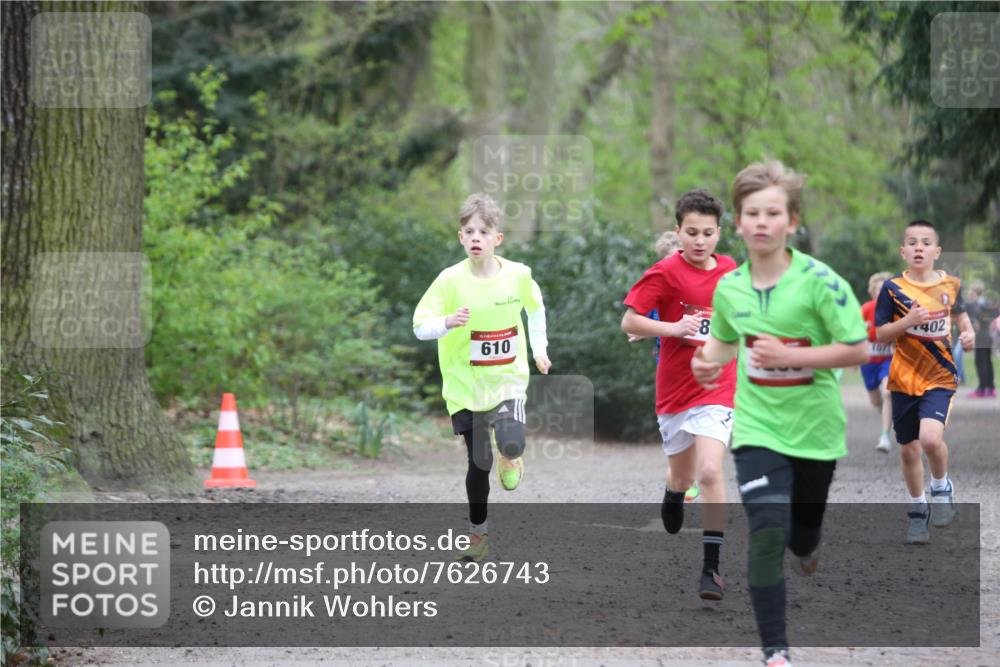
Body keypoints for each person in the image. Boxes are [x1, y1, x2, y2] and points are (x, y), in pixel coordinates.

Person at [691, 161, 868, 667]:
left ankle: (809, 543)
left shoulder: (820, 282)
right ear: (740, 223)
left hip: (815, 430)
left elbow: (856, 348)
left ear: (792, 222)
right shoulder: (730, 288)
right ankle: (776, 652)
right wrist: (707, 364)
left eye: (773, 213)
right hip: (758, 428)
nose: (762, 222)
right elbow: (725, 345)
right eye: (752, 213)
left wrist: (795, 357)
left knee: (802, 536)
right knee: (767, 528)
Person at [412, 193, 552, 563]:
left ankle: (513, 456)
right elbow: (419, 327)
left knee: (509, 443)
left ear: (497, 238)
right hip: (464, 386)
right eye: (469, 231)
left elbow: (535, 311)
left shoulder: (519, 276)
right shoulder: (448, 281)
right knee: (479, 464)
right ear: (461, 238)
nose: (476, 237)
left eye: (484, 231)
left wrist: (539, 350)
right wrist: (445, 322)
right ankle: (478, 536)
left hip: (507, 377)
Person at [621, 188, 738, 601]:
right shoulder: (665, 272)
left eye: (707, 233)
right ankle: (672, 491)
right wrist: (674, 328)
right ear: (678, 231)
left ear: (719, 233)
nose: (700, 240)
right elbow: (629, 321)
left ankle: (712, 570)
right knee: (683, 476)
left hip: (717, 387)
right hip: (674, 390)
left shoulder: (730, 271)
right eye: (691, 232)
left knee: (709, 473)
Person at [874, 220, 975, 544]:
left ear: (937, 251)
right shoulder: (892, 289)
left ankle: (941, 486)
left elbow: (960, 317)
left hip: (940, 376)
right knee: (908, 451)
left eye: (926, 242)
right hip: (904, 378)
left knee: (930, 439)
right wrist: (907, 321)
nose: (919, 247)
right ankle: (918, 511)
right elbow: (881, 333)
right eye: (913, 242)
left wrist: (969, 332)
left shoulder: (951, 285)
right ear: (903, 251)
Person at [628, 230, 702, 502]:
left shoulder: (701, 284)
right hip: (670, 368)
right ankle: (682, 477)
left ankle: (690, 476)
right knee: (678, 427)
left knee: (700, 421)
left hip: (701, 365)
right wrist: (640, 331)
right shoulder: (659, 287)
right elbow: (640, 318)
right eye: (670, 261)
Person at [860, 272, 896, 452]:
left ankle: (884, 436)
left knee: (887, 392)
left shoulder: (894, 310)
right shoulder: (866, 308)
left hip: (888, 360)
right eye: (878, 289)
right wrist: (862, 329)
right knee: (876, 401)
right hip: (869, 362)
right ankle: (888, 417)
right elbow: (854, 331)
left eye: (885, 290)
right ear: (872, 292)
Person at [966, 283, 999, 397]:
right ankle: (991, 388)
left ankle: (981, 389)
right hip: (988, 335)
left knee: (980, 362)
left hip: (980, 336)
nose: (969, 294)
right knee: (988, 362)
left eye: (970, 292)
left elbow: (975, 321)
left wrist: (978, 323)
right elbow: (996, 313)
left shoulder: (977, 305)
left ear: (975, 293)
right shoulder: (987, 303)